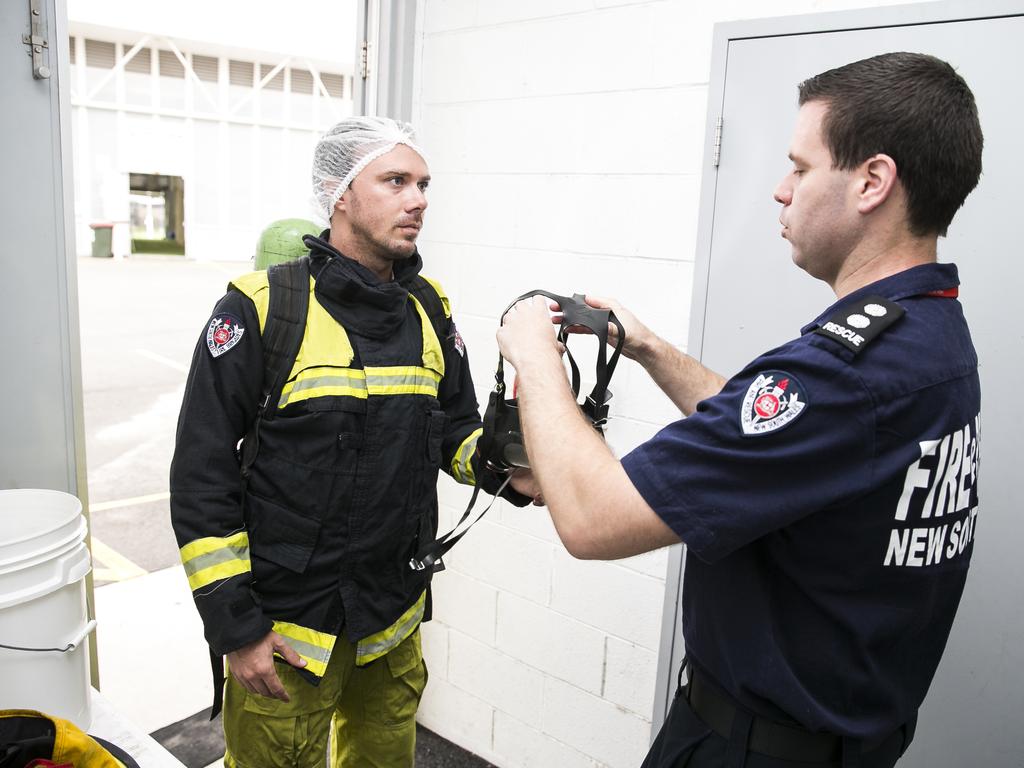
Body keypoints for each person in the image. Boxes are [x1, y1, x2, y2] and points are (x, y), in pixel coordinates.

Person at [496, 52, 983, 768]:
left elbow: (591, 519)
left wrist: (533, 358)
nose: (782, 192)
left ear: (873, 181)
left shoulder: (844, 371)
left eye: (800, 167)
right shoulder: (928, 333)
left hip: (754, 749)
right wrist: (651, 348)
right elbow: (779, 432)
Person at [170, 116, 532, 768]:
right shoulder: (259, 310)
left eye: (423, 183)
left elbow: (453, 427)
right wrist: (237, 628)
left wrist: (501, 465)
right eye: (395, 180)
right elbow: (201, 477)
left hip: (390, 623)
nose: (418, 199)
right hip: (286, 635)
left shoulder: (429, 305)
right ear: (338, 193)